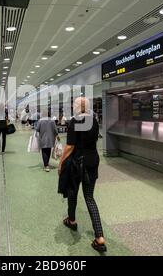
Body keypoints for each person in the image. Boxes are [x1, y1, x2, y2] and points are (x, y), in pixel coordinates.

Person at [58, 97, 106, 253]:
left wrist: (60, 163)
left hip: (78, 163)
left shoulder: (74, 121)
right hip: (93, 160)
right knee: (90, 197)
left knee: (72, 192)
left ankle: (71, 220)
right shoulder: (94, 121)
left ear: (78, 107)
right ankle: (99, 238)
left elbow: (70, 147)